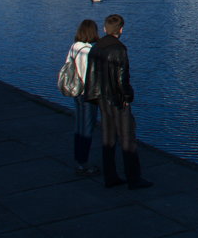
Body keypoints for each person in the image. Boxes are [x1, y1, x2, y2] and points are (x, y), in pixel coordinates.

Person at [83, 13, 153, 189]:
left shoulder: (96, 46)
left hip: (101, 99)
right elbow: (123, 78)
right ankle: (133, 178)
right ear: (121, 30)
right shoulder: (119, 48)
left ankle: (110, 176)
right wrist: (127, 96)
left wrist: (93, 96)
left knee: (108, 139)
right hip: (117, 100)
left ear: (106, 28)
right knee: (127, 139)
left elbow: (90, 74)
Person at [65, 19, 100, 175]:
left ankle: (78, 158)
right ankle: (83, 163)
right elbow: (89, 75)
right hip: (87, 93)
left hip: (75, 91)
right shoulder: (89, 50)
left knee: (79, 125)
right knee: (87, 128)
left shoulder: (74, 46)